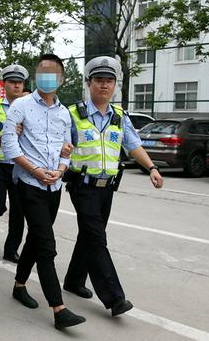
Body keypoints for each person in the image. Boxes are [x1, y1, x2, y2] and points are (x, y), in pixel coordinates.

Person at [62, 56, 163, 317]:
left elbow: (132, 145)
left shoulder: (120, 116)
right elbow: (58, 146)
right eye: (99, 81)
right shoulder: (72, 114)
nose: (104, 86)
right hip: (81, 185)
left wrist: (151, 167)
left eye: (109, 81)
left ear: (115, 85)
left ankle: (73, 280)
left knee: (89, 234)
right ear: (88, 83)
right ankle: (115, 298)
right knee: (97, 238)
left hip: (107, 187)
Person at [1, 54, 86, 330]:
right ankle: (59, 309)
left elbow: (67, 148)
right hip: (30, 184)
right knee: (47, 246)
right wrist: (37, 171)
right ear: (35, 76)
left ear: (61, 78)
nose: (47, 77)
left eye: (53, 73)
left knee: (36, 240)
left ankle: (19, 285)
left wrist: (61, 170)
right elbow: (11, 147)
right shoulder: (20, 106)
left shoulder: (64, 113)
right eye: (42, 72)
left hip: (54, 186)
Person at [0, 64, 28, 264]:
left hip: (20, 166)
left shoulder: (30, 108)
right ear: (4, 84)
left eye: (20, 82)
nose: (16, 86)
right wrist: (5, 134)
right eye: (12, 82)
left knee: (19, 211)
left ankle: (11, 249)